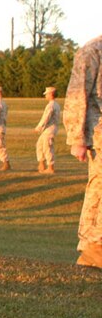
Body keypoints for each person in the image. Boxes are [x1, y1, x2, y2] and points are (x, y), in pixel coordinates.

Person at [63, 36, 102, 269]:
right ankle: (93, 247)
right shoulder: (92, 51)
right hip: (99, 131)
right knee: (99, 188)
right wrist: (77, 138)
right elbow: (77, 94)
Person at [35, 86, 62, 174]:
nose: (45, 96)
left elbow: (46, 117)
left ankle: (50, 167)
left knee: (47, 147)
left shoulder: (51, 105)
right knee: (39, 145)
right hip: (48, 129)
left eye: (46, 94)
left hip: (50, 129)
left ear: (51, 94)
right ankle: (41, 164)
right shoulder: (55, 104)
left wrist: (39, 127)